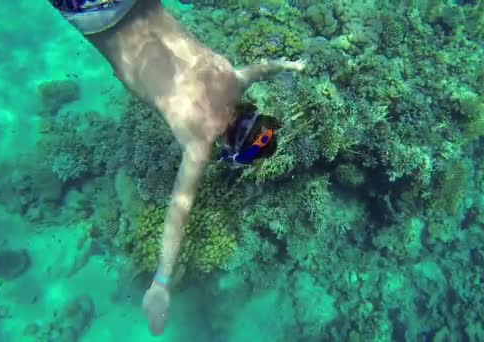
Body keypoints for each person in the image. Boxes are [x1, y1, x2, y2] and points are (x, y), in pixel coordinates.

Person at [48, 0, 305, 336]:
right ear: (232, 151)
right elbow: (178, 211)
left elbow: (260, 68)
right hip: (94, 15)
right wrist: (161, 283)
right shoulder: (199, 141)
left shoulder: (233, 79)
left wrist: (292, 65)